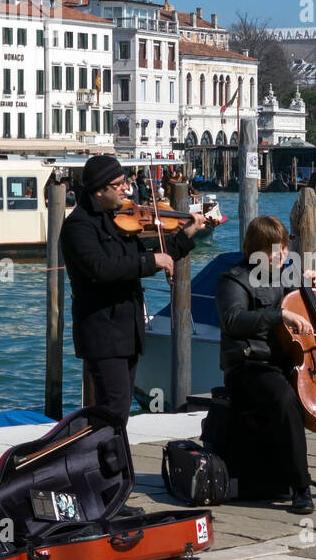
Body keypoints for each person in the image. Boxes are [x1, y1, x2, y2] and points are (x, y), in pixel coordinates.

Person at [216, 214, 316, 515]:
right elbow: (234, 321)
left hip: (291, 361)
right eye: (274, 251)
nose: (282, 256)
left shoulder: (286, 278)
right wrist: (280, 315)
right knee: (285, 399)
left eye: (285, 250)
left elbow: (304, 317)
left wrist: (306, 288)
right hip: (252, 365)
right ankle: (301, 487)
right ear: (255, 250)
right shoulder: (233, 280)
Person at [61, 153, 207, 425]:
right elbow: (100, 268)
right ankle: (109, 465)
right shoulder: (78, 227)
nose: (125, 188)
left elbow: (151, 254)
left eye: (124, 181)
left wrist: (185, 236)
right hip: (103, 331)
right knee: (113, 409)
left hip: (127, 330)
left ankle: (111, 463)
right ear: (98, 190)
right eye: (117, 184)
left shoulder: (118, 220)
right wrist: (151, 261)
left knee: (119, 410)